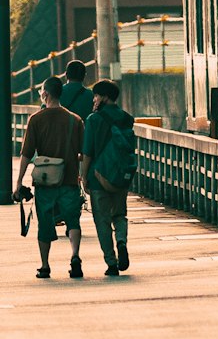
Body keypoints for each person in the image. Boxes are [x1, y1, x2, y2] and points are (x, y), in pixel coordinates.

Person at [13, 76, 86, 280]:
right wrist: (82, 174)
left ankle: (45, 266)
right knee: (73, 220)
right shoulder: (75, 120)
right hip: (70, 179)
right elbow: (83, 152)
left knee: (45, 223)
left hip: (45, 182)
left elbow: (26, 154)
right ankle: (75, 256)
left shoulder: (36, 119)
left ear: (45, 94)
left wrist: (18, 182)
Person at [81, 79, 136, 278]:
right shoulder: (126, 118)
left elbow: (87, 152)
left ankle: (111, 263)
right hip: (121, 176)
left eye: (96, 95)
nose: (94, 99)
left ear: (103, 96)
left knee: (102, 221)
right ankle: (121, 240)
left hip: (98, 177)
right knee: (119, 215)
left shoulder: (93, 120)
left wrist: (84, 176)